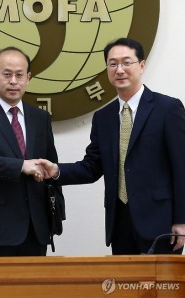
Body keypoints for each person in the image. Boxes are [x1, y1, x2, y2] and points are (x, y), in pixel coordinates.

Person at [39, 38, 185, 255]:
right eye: (113, 63)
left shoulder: (168, 109)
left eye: (127, 62)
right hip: (120, 223)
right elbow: (92, 166)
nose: (120, 70)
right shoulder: (103, 117)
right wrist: (57, 171)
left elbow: (181, 168)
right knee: (124, 288)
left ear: (141, 65)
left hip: (161, 224)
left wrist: (181, 221)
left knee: (160, 288)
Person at [0, 46, 65, 257]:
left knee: (34, 289)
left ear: (28, 78)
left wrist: (57, 212)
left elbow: (50, 164)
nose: (13, 81)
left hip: (36, 228)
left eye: (19, 75)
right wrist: (21, 166)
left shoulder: (40, 118)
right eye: (7, 74)